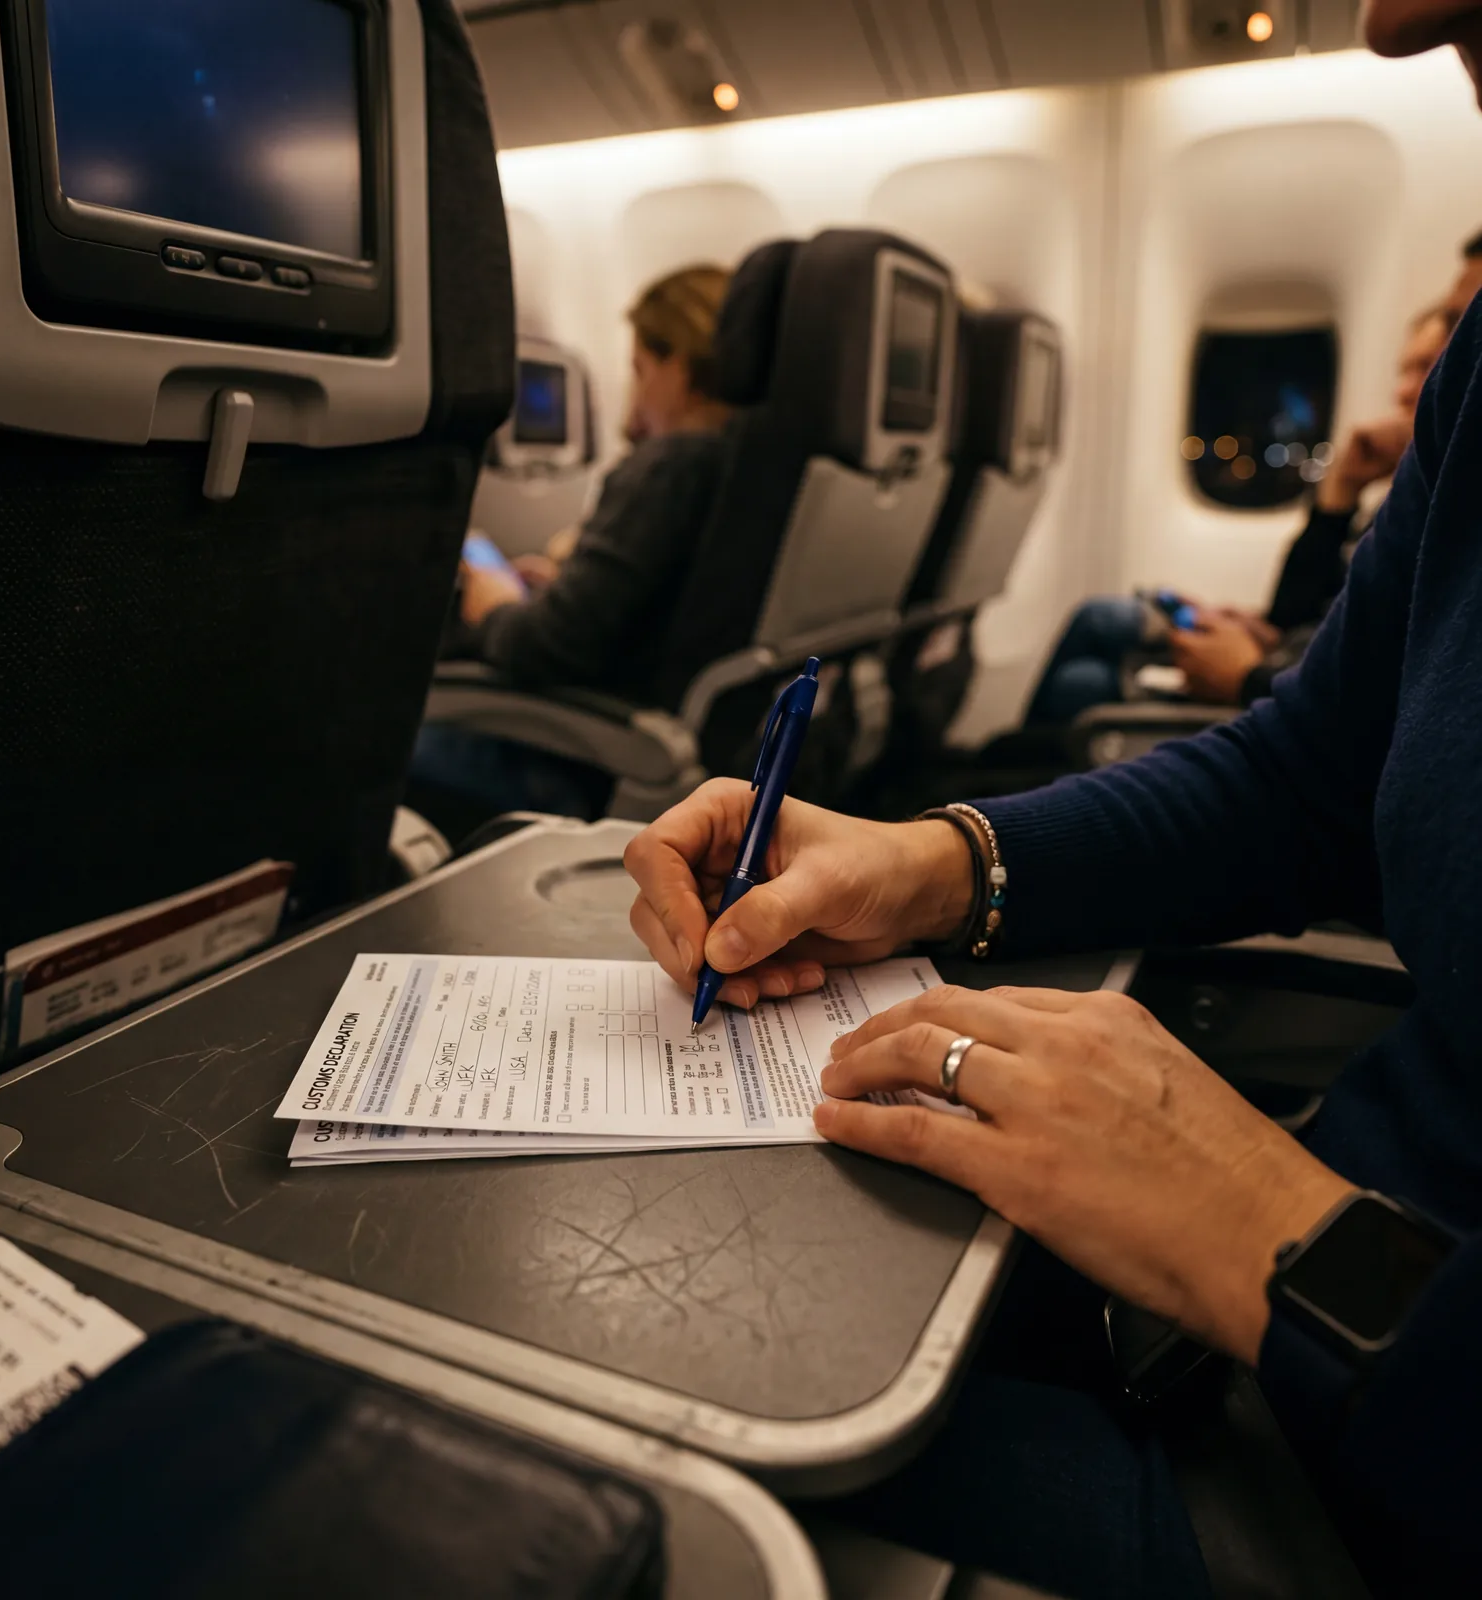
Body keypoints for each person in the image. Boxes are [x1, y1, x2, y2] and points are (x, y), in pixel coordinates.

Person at [622, 5, 1482, 1592]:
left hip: (1392, 1463)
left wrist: (1288, 1248)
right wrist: (921, 863)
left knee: (591, 1448)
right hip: (1310, 1292)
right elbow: (1303, 778)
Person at [1023, 252, 1480, 726]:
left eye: (1427, 365)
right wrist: (1339, 490)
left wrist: (1249, 673)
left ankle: (989, 780)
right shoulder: (1412, 492)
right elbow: (1304, 618)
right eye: (1403, 371)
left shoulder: (1447, 515)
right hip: (1289, 671)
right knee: (1100, 627)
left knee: (1087, 681)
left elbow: (1372, 700)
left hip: (1286, 703)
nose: (1405, 391)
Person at [409, 265, 733, 831]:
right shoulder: (743, 465)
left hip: (584, 755)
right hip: (652, 730)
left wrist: (496, 608)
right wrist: (566, 588)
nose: (635, 391)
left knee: (373, 740)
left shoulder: (672, 468)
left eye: (640, 370)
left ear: (678, 363)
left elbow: (542, 650)